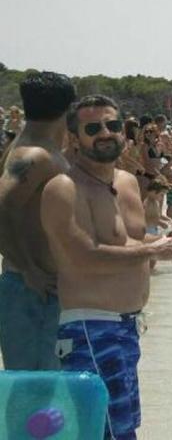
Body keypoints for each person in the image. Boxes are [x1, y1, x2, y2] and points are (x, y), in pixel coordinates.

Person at [41, 95, 172, 440]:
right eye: (92, 127)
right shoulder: (64, 188)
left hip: (128, 328)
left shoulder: (127, 182)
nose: (105, 133)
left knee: (122, 428)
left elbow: (128, 246)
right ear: (73, 137)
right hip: (89, 330)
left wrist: (170, 240)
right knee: (101, 431)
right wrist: (153, 249)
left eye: (112, 125)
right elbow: (80, 257)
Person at [0, 71, 76, 370]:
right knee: (34, 392)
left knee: (47, 394)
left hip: (41, 292)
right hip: (30, 291)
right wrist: (29, 268)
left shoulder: (38, 146)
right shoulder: (35, 154)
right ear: (68, 108)